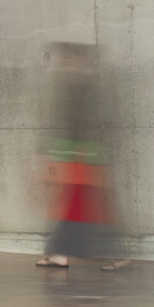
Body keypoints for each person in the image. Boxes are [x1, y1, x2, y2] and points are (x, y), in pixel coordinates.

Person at [37, 40, 123, 268]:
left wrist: (66, 153)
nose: (61, 62)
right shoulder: (77, 83)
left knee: (85, 205)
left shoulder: (86, 85)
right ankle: (61, 251)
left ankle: (112, 253)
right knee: (80, 204)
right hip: (79, 152)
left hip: (82, 153)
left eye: (66, 57)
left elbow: (85, 123)